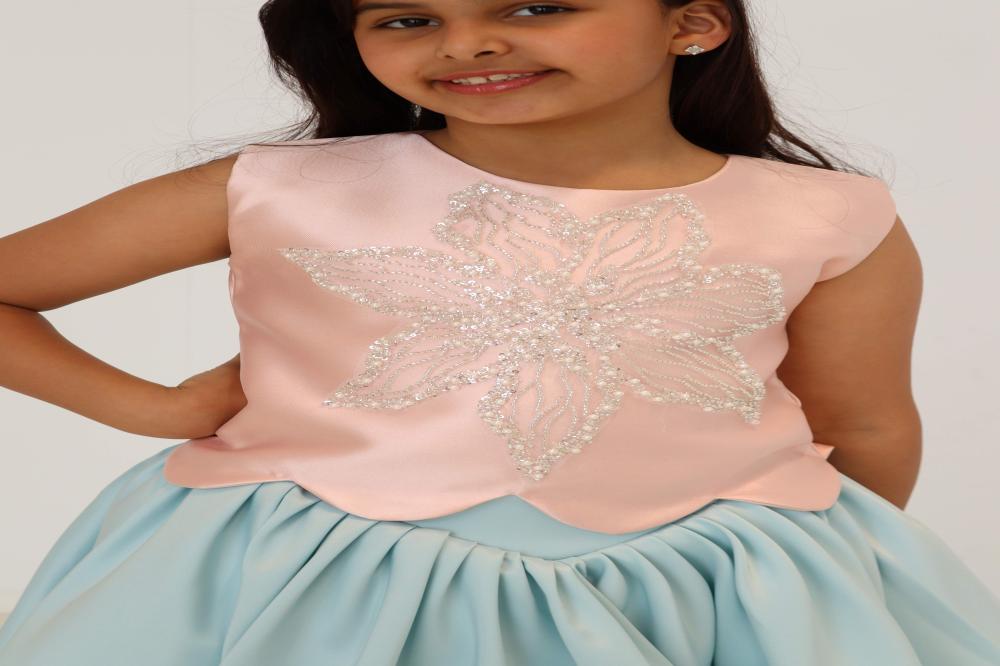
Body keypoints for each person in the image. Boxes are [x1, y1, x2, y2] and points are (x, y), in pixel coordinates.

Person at [1, 0, 998, 663]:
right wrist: (152, 408)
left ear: (692, 22)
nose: (467, 44)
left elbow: (860, 426)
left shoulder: (824, 215)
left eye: (536, 6)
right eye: (408, 17)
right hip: (317, 589)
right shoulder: (279, 190)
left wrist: (813, 585)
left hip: (695, 594)